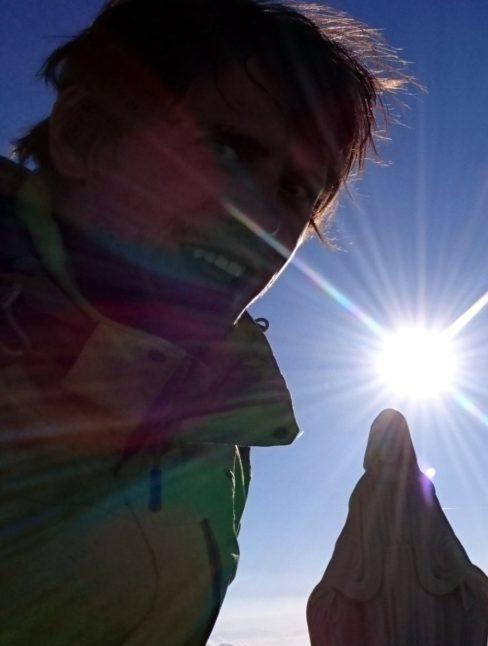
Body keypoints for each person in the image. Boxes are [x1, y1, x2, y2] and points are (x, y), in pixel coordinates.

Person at [0, 1, 409, 643]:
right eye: (231, 149)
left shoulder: (218, 417)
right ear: (83, 135)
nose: (260, 218)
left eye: (296, 192)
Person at [307, 409, 488, 646]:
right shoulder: (366, 489)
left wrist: (464, 572)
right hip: (377, 586)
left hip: (421, 585)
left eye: (395, 438)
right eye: (384, 438)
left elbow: (441, 535)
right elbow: (351, 542)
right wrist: (332, 583)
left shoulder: (419, 484)